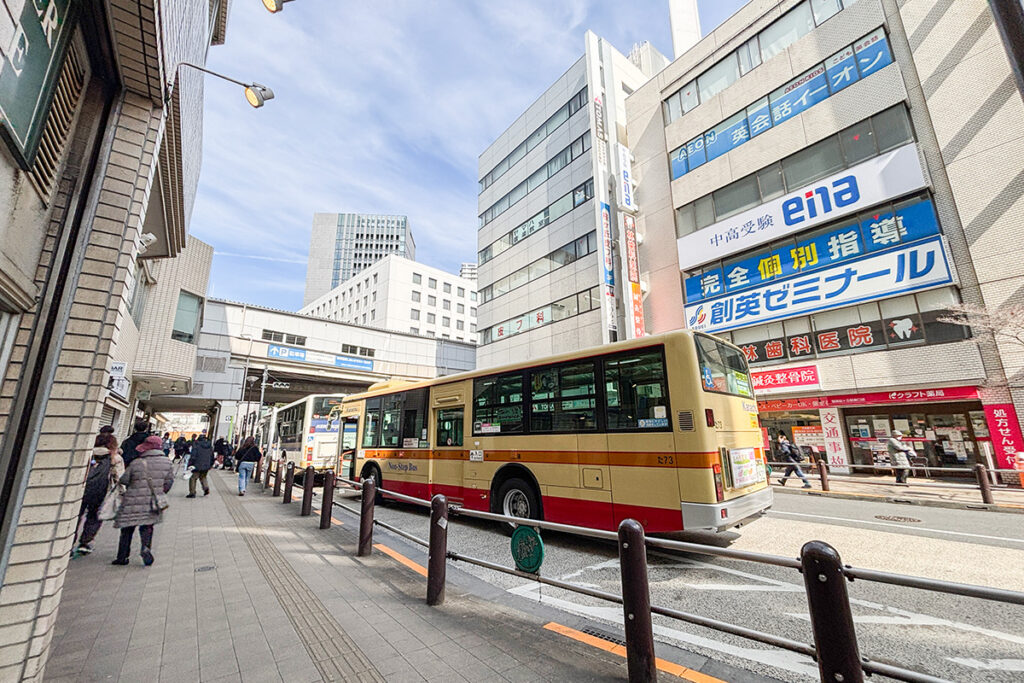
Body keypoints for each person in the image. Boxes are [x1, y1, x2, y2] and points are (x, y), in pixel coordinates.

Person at [112, 435, 174, 566]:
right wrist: (159, 491)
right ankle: (146, 548)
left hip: (132, 500)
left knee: (127, 529)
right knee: (147, 527)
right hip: (152, 501)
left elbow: (124, 480)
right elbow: (168, 483)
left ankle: (122, 557)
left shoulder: (137, 462)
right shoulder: (167, 463)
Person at [73, 434, 125, 555]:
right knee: (94, 517)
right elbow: (119, 477)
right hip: (101, 492)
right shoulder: (115, 458)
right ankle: (85, 543)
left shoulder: (87, 453)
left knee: (76, 516)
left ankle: (69, 542)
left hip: (82, 490)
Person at [187, 431, 214, 497]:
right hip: (206, 464)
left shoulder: (196, 444)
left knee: (193, 478)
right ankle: (206, 488)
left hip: (197, 464)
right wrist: (210, 464)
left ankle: (192, 493)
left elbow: (193, 455)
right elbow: (212, 456)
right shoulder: (209, 445)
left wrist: (190, 463)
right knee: (203, 477)